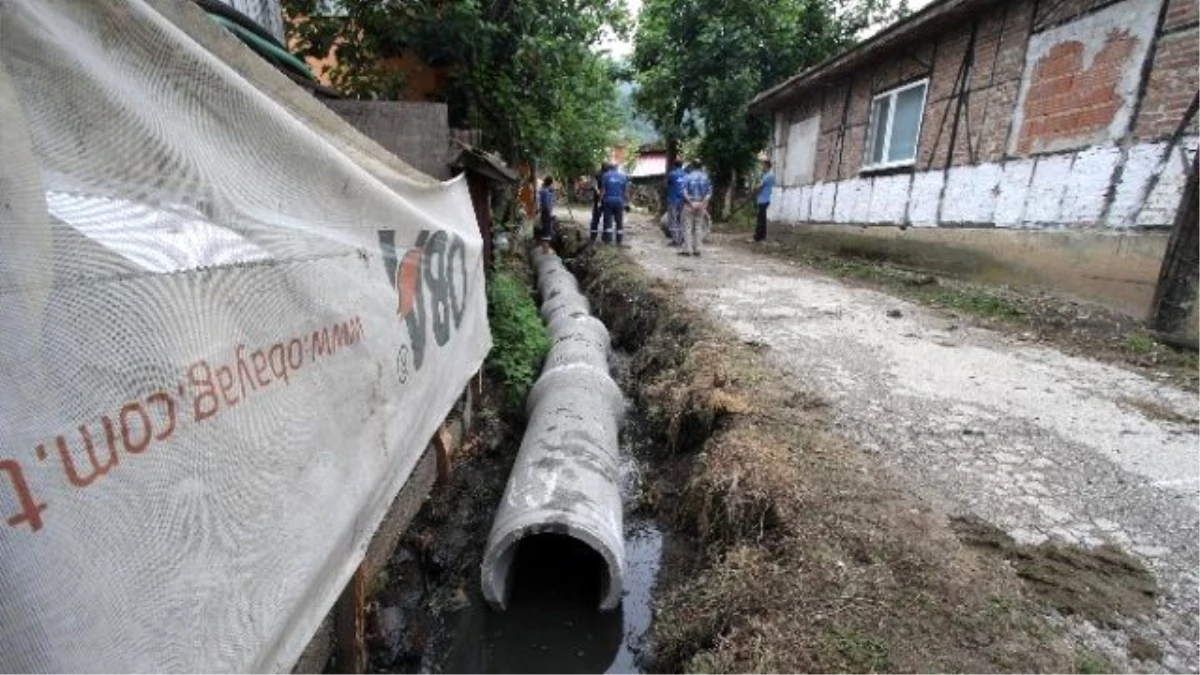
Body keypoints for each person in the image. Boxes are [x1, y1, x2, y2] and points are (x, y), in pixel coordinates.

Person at [681, 161, 712, 257]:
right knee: (698, 227)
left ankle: (687, 250)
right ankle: (697, 250)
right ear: (701, 166)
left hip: (689, 205)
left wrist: (691, 203)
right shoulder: (706, 178)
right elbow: (709, 193)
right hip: (701, 206)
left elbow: (684, 192)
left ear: (693, 166)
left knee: (687, 227)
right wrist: (702, 204)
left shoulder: (687, 177)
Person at [601, 161, 629, 245]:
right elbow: (625, 191)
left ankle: (608, 240)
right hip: (619, 201)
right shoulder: (623, 176)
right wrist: (626, 202)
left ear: (609, 168)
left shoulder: (605, 176)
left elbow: (603, 190)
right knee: (619, 221)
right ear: (617, 168)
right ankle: (619, 240)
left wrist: (599, 201)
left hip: (608, 201)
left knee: (608, 221)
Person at [665, 160, 686, 247]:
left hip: (673, 200)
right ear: (682, 165)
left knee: (673, 220)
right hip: (683, 200)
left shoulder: (672, 174)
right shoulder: (686, 175)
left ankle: (675, 241)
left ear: (674, 165)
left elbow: (667, 184)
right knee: (681, 220)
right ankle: (681, 240)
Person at [754, 159, 775, 242]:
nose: (762, 167)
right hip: (765, 198)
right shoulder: (768, 175)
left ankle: (758, 237)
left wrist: (755, 187)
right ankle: (762, 236)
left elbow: (759, 186)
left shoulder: (768, 176)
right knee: (762, 219)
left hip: (764, 199)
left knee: (761, 219)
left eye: (762, 165)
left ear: (766, 166)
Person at [589, 163, 607, 243]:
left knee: (595, 219)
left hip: (598, 200)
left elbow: (593, 184)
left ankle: (593, 237)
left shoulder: (597, 174)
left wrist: (598, 192)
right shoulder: (608, 175)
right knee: (606, 219)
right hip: (605, 200)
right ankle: (605, 238)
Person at [537, 176, 555, 255]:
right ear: (550, 183)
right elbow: (547, 205)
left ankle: (544, 250)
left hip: (543, 213)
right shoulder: (545, 192)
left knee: (545, 231)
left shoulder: (543, 191)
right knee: (546, 232)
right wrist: (550, 214)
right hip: (546, 213)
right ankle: (546, 252)